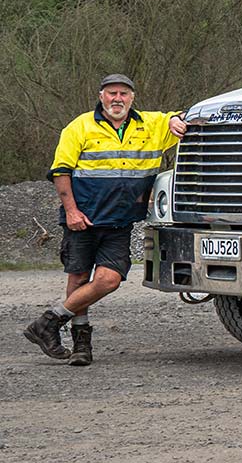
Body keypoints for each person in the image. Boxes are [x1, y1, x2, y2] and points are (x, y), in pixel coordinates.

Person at [24, 74, 189, 366]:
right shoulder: (79, 126)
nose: (117, 99)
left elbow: (178, 117)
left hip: (120, 221)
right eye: (111, 93)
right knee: (78, 278)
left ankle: (47, 322)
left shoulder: (150, 124)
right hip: (84, 218)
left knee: (108, 280)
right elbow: (61, 172)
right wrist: (72, 212)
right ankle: (81, 347)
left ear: (132, 98)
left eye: (124, 94)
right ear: (101, 96)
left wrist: (177, 118)